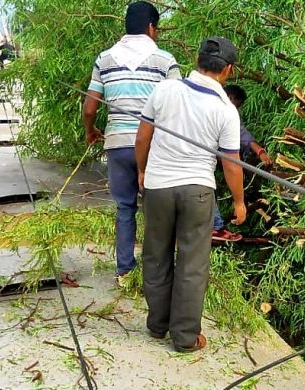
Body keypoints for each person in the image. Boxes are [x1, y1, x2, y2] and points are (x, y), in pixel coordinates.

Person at [135, 37, 246, 352]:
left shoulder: (166, 89)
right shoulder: (226, 109)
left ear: (197, 60)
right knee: (192, 264)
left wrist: (142, 171)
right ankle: (184, 338)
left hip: (157, 186)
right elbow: (231, 164)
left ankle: (157, 325)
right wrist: (239, 202)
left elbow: (143, 137)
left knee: (156, 255)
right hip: (198, 190)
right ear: (228, 69)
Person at [83, 1, 180, 286]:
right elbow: (178, 105)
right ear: (151, 28)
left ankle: (124, 270)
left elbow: (90, 107)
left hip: (117, 144)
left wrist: (91, 130)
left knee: (125, 208)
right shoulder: (165, 60)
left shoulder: (104, 58)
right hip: (153, 146)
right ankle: (158, 273)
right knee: (157, 211)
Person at [212, 85, 274, 242]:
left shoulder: (226, 112)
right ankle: (216, 227)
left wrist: (260, 151)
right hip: (198, 162)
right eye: (237, 106)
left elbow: (241, 134)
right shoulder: (215, 109)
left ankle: (217, 226)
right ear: (230, 99)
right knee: (206, 187)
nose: (237, 110)